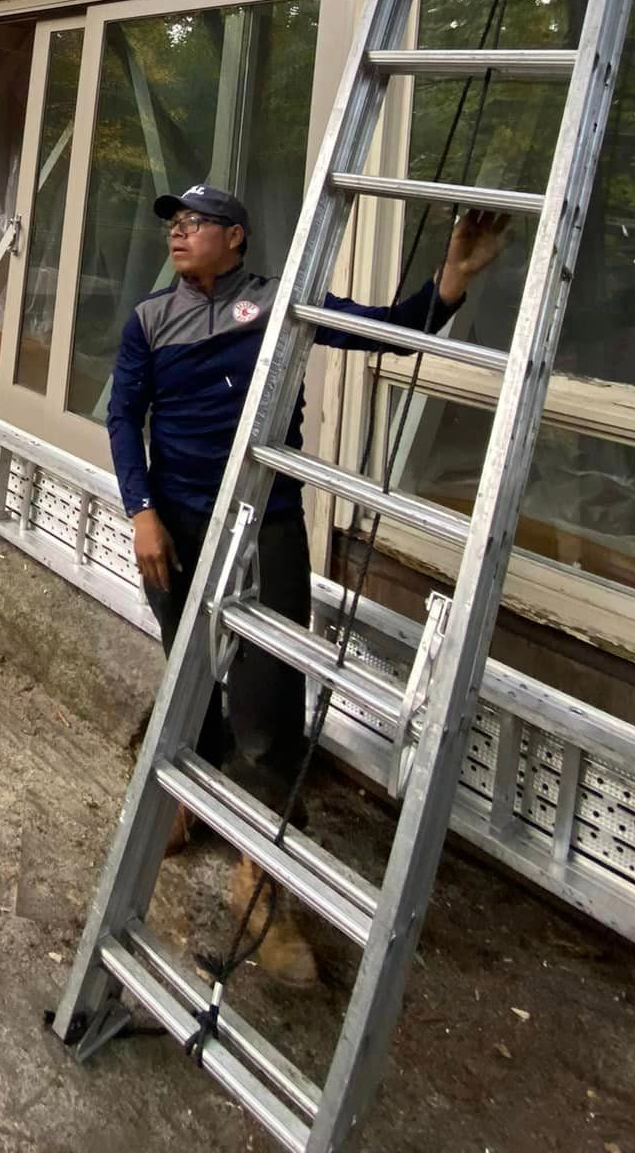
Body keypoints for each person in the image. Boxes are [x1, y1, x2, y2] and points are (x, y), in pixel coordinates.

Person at [108, 181, 509, 987]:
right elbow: (124, 417)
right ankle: (189, 796)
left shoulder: (282, 304)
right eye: (174, 226)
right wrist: (143, 510)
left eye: (195, 224)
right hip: (176, 528)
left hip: (268, 524)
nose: (179, 235)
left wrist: (454, 278)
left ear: (238, 238)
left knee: (268, 707)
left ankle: (263, 880)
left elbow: (391, 334)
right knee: (188, 669)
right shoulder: (150, 319)